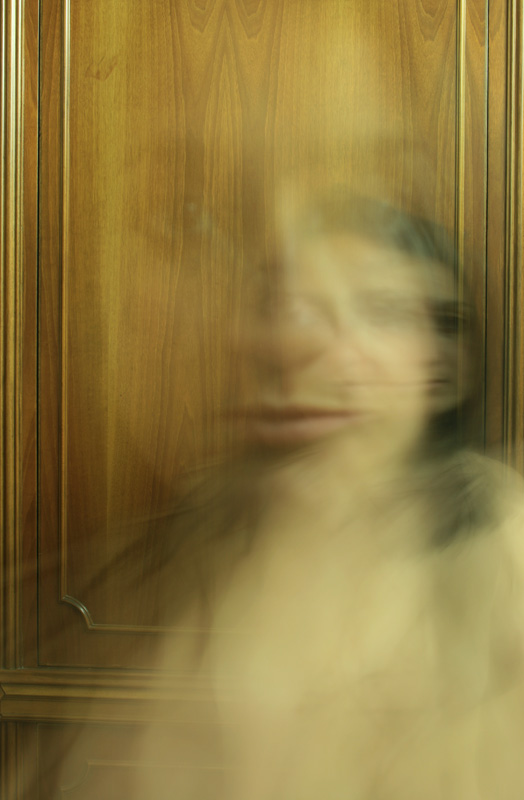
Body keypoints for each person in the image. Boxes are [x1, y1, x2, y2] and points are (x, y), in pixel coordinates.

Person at [134, 190, 524, 798]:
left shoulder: (502, 529)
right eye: (301, 312)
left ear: (446, 356)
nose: (331, 350)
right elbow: (169, 758)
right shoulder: (224, 520)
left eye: (382, 311)